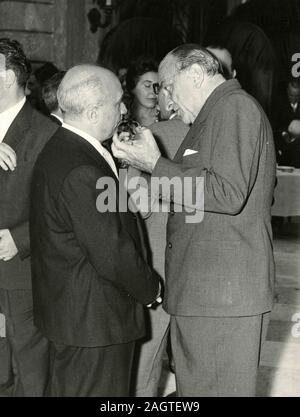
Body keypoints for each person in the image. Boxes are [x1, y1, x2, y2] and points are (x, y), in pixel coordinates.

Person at [112, 44, 276, 397]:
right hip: (206, 295)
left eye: (168, 87)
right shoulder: (213, 116)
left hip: (221, 297)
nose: (166, 100)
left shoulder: (234, 108)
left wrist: (155, 165)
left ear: (197, 75)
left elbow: (229, 194)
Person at [29, 64, 161, 397]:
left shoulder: (62, 148)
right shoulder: (82, 167)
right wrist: (150, 288)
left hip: (77, 317)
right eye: (118, 102)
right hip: (96, 323)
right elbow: (111, 252)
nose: (124, 109)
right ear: (91, 112)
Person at [0, 38, 58, 396]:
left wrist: (19, 238)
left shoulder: (46, 133)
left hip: (21, 275)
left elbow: (62, 209)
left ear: (7, 78)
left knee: (29, 377)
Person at [131, 83, 189, 397]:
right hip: (202, 274)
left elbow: (136, 207)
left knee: (145, 368)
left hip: (157, 266)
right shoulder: (218, 132)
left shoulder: (155, 135)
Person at [272, 77, 300, 167]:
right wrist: (283, 133)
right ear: (287, 91)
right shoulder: (279, 105)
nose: (294, 99)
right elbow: (275, 125)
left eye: (297, 96)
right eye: (291, 95)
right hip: (284, 147)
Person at [125, 57, 159, 127]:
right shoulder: (122, 118)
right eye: (147, 85)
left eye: (157, 86)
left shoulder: (166, 118)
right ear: (132, 87)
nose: (153, 91)